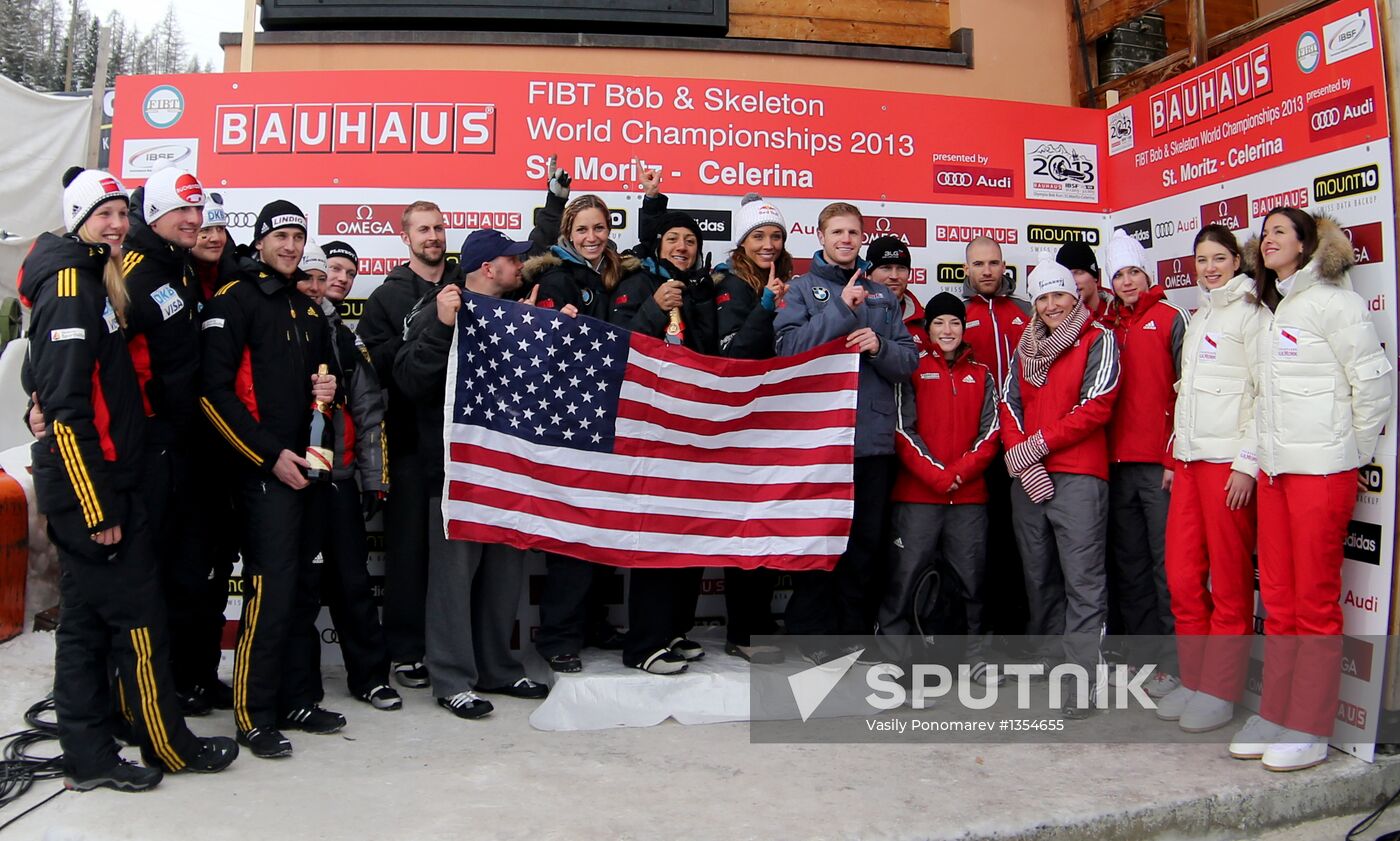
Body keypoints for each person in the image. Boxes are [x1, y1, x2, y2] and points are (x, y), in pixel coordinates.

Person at [21, 167, 236, 790]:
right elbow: (64, 406)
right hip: (97, 487)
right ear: (78, 218)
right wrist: (99, 509)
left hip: (116, 475)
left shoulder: (96, 275)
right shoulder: (72, 285)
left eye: (120, 213)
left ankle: (88, 756)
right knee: (140, 623)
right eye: (103, 214)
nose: (115, 225)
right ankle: (168, 745)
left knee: (85, 627)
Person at [1228, 208, 1391, 772]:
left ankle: (1310, 725)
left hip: (1322, 473)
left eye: (1280, 231)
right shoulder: (1272, 309)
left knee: (1315, 603)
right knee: (1277, 599)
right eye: (1264, 233)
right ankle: (1277, 710)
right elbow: (1266, 402)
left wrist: (1352, 452)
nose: (1267, 239)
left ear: (1306, 243)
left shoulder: (1334, 302)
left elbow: (1372, 382)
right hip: (1275, 474)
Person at [200, 200, 341, 758]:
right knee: (270, 590)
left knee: (304, 589)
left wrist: (329, 395)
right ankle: (253, 714)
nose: (289, 245)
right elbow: (213, 395)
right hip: (264, 474)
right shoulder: (234, 300)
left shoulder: (306, 308)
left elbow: (326, 391)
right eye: (280, 235)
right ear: (259, 242)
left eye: (298, 237)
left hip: (312, 470)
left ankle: (297, 697)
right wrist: (267, 459)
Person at [396, 228, 551, 717]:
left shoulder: (516, 311)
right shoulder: (439, 303)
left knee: (505, 576)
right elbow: (407, 379)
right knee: (453, 579)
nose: (520, 266)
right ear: (489, 267)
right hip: (454, 468)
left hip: (507, 467)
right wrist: (443, 326)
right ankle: (451, 678)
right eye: (513, 259)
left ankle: (497, 669)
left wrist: (552, 332)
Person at [774, 202, 918, 662]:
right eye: (837, 231)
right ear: (820, 236)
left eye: (853, 232)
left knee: (864, 544)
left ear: (861, 238)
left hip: (871, 442)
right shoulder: (802, 290)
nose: (846, 239)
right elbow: (787, 351)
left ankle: (855, 632)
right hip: (819, 442)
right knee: (820, 540)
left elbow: (910, 362)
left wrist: (879, 346)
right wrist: (839, 309)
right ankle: (814, 636)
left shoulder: (883, 296)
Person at [521, 194, 651, 672]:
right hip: (569, 421)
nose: (592, 237)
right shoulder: (556, 277)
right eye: (582, 230)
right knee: (571, 533)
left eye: (598, 228)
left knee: (606, 528)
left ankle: (594, 623)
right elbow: (543, 348)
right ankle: (557, 637)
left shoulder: (628, 276)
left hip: (618, 419)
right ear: (567, 235)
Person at [1155, 225, 1266, 734]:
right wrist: (1178, 457)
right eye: (1201, 259)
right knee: (1181, 576)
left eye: (1219, 257)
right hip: (1192, 465)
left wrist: (1246, 463)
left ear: (1237, 262)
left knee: (1229, 581)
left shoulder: (1253, 316)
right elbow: (1187, 396)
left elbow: (1266, 397)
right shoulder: (1199, 317)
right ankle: (1197, 679)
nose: (1209, 267)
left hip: (1228, 470)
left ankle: (1221, 690)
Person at [118, 167, 220, 716]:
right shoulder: (129, 268)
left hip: (184, 445)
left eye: (198, 210)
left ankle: (180, 682)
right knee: (148, 572)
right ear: (154, 212)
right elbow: (84, 350)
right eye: (183, 210)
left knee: (187, 570)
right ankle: (136, 699)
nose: (194, 220)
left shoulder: (178, 266)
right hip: (148, 445)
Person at [1001, 253, 1120, 718]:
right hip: (1030, 481)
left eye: (1059, 295)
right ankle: (1052, 666)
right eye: (1043, 297)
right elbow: (1008, 404)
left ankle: (1082, 680)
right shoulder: (1024, 347)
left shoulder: (1098, 338)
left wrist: (1031, 450)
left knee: (1083, 583)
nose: (1051, 305)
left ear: (1075, 296)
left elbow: (1096, 406)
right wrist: (1023, 460)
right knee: (1039, 579)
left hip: (1079, 478)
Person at [609, 208, 718, 674]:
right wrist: (655, 306)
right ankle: (644, 645)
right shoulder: (635, 284)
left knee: (688, 533)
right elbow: (616, 345)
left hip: (694, 430)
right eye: (673, 237)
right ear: (657, 245)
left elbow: (713, 355)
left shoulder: (703, 290)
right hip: (649, 432)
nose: (682, 246)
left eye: (690, 240)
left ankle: (675, 630)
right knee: (656, 536)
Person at [295, 241, 401, 712]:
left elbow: (369, 411)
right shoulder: (269, 323)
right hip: (286, 478)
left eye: (335, 275)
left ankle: (370, 678)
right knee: (294, 588)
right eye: (316, 274)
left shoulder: (345, 338)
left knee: (352, 584)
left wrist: (374, 479)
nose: (324, 284)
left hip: (336, 480)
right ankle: (300, 688)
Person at [355, 201, 457, 690]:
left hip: (459, 445)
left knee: (454, 554)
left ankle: (452, 648)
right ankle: (406, 651)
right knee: (408, 553)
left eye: (438, 227)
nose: (433, 236)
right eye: (423, 229)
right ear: (405, 237)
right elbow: (375, 368)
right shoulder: (386, 297)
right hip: (406, 445)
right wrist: (422, 331)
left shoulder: (466, 285)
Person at [885, 292, 1001, 680]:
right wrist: (937, 476)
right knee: (905, 578)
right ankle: (895, 657)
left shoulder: (982, 373)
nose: (947, 330)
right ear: (928, 329)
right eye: (939, 323)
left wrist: (959, 474)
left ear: (964, 328)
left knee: (972, 580)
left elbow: (992, 432)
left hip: (968, 498)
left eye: (955, 322)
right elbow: (903, 430)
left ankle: (974, 656)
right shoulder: (911, 369)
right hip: (918, 495)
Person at [1102, 228, 1189, 698]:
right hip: (1116, 466)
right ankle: (1141, 659)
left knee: (1165, 567)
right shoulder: (1107, 324)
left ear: (1147, 273)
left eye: (1134, 271)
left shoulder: (1172, 318)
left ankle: (1175, 664)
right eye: (1119, 274)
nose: (1128, 281)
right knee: (1129, 565)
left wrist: (1173, 457)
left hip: (1159, 465)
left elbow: (1190, 392)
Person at [713, 194, 790, 664]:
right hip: (742, 425)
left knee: (770, 526)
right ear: (742, 242)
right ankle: (741, 630)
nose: (768, 244)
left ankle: (758, 621)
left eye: (775, 236)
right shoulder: (731, 287)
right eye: (759, 236)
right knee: (747, 528)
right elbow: (736, 356)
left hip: (777, 424)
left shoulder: (787, 281)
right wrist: (764, 305)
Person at [959, 236, 1031, 638]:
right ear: (966, 269)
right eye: (979, 264)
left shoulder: (1025, 311)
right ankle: (979, 631)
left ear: (1004, 266)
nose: (987, 271)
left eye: (993, 263)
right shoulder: (958, 314)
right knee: (979, 543)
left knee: (1019, 542)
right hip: (978, 447)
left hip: (1021, 447)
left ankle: (1016, 627)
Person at [866, 235, 928, 349]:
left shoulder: (925, 320)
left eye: (901, 268)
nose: (894, 276)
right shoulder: (854, 313)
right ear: (868, 275)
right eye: (886, 268)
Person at [1057, 240, 1115, 324]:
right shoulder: (1055, 322)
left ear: (1094, 276)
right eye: (1066, 275)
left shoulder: (1121, 314)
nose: (1073, 281)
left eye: (1079, 273)